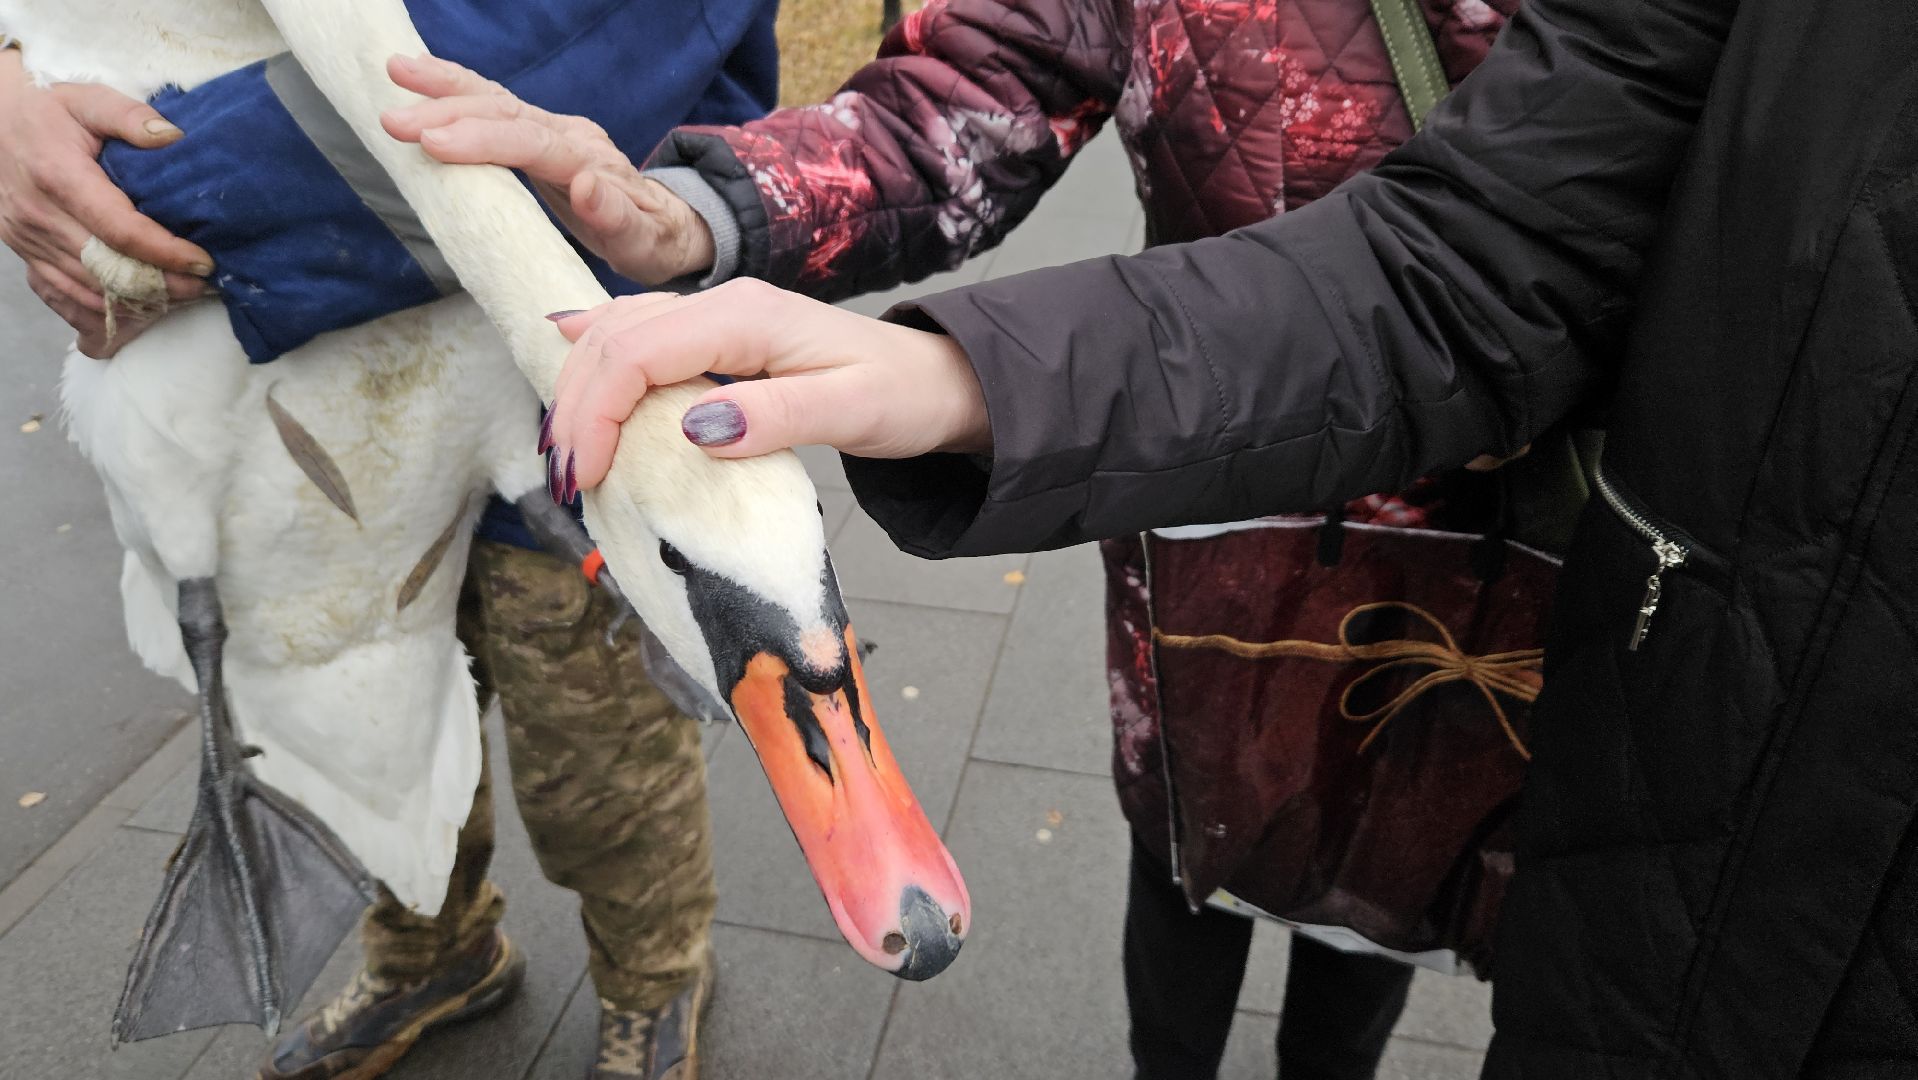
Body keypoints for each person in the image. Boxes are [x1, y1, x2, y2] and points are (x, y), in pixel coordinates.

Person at [390, 0, 1918, 1074]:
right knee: (1189, 851)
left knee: (1387, 896)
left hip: (1511, 583)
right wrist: (711, 211)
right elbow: (970, 93)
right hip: (1214, 525)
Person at [0, 5, 779, 1078]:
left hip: (567, 393)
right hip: (331, 410)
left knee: (600, 764)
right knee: (364, 712)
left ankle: (656, 982)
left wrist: (103, 202)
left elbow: (528, 67)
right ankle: (431, 951)